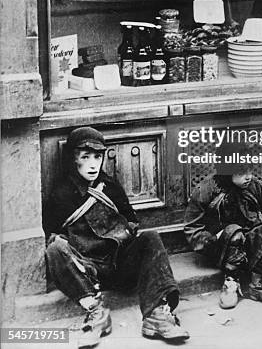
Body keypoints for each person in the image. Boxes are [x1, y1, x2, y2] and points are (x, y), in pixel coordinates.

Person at [44, 126, 189, 349]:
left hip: (118, 264)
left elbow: (131, 221)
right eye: (85, 157)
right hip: (88, 272)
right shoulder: (60, 195)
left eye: (97, 157)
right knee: (55, 248)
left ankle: (157, 314)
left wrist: (124, 233)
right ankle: (97, 313)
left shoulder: (110, 187)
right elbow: (54, 235)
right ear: (73, 159)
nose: (93, 164)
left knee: (151, 237)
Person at [184, 155, 262, 310]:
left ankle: (257, 285)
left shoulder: (253, 186)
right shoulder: (205, 189)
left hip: (248, 244)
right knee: (233, 231)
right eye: (242, 172)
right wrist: (213, 239)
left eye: (250, 170)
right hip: (221, 248)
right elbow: (192, 230)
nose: (249, 176)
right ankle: (231, 282)